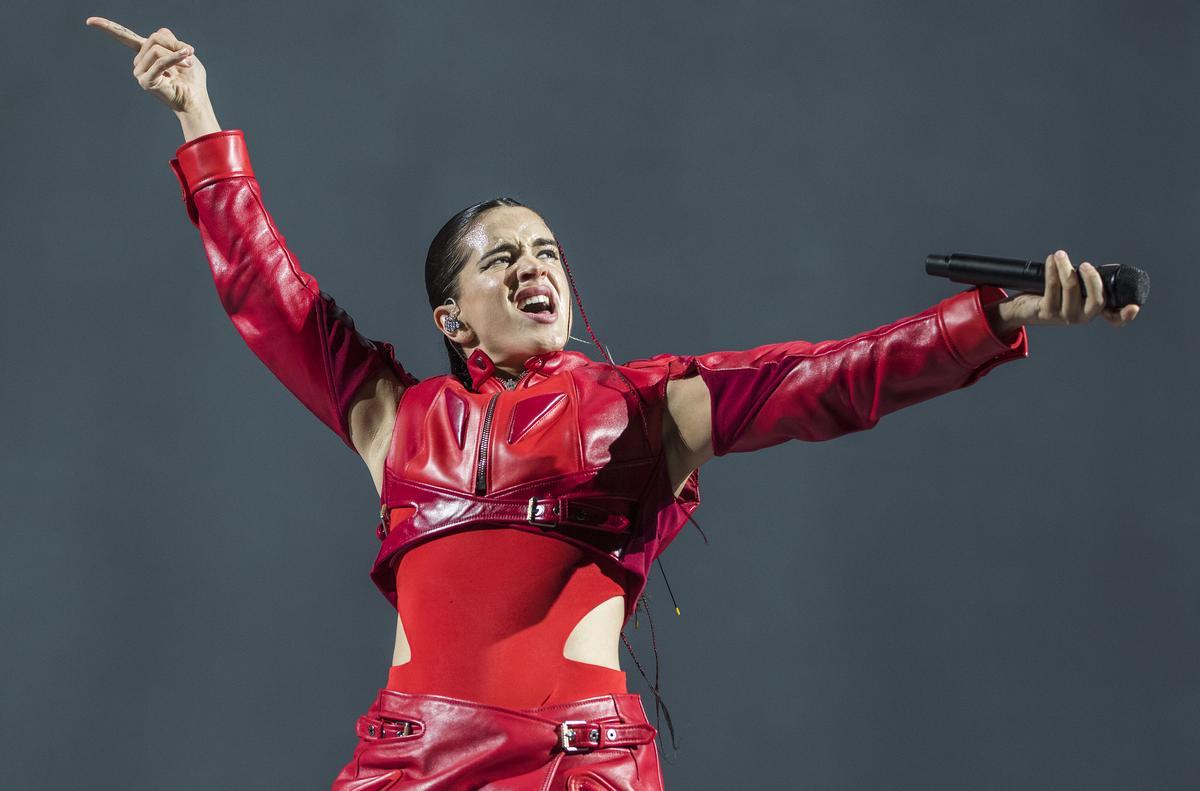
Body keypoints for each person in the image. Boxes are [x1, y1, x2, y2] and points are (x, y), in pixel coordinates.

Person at [86, 18, 1142, 791]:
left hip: (576, 766)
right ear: (453, 317)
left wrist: (993, 316)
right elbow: (268, 293)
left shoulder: (644, 407)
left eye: (547, 249)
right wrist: (199, 112)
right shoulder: (394, 420)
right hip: (408, 761)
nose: (535, 266)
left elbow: (834, 378)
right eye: (501, 258)